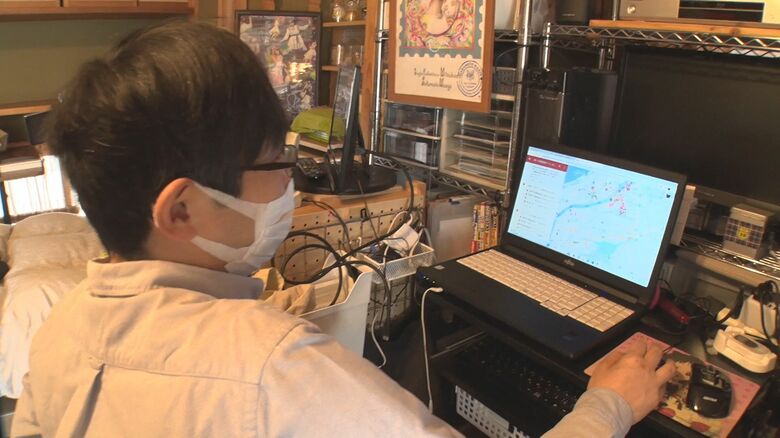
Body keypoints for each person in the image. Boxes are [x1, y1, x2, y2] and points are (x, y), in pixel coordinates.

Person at [12, 21, 675, 437]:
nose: (291, 187)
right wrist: (609, 404)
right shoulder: (275, 367)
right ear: (181, 210)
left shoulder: (63, 328)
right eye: (276, 164)